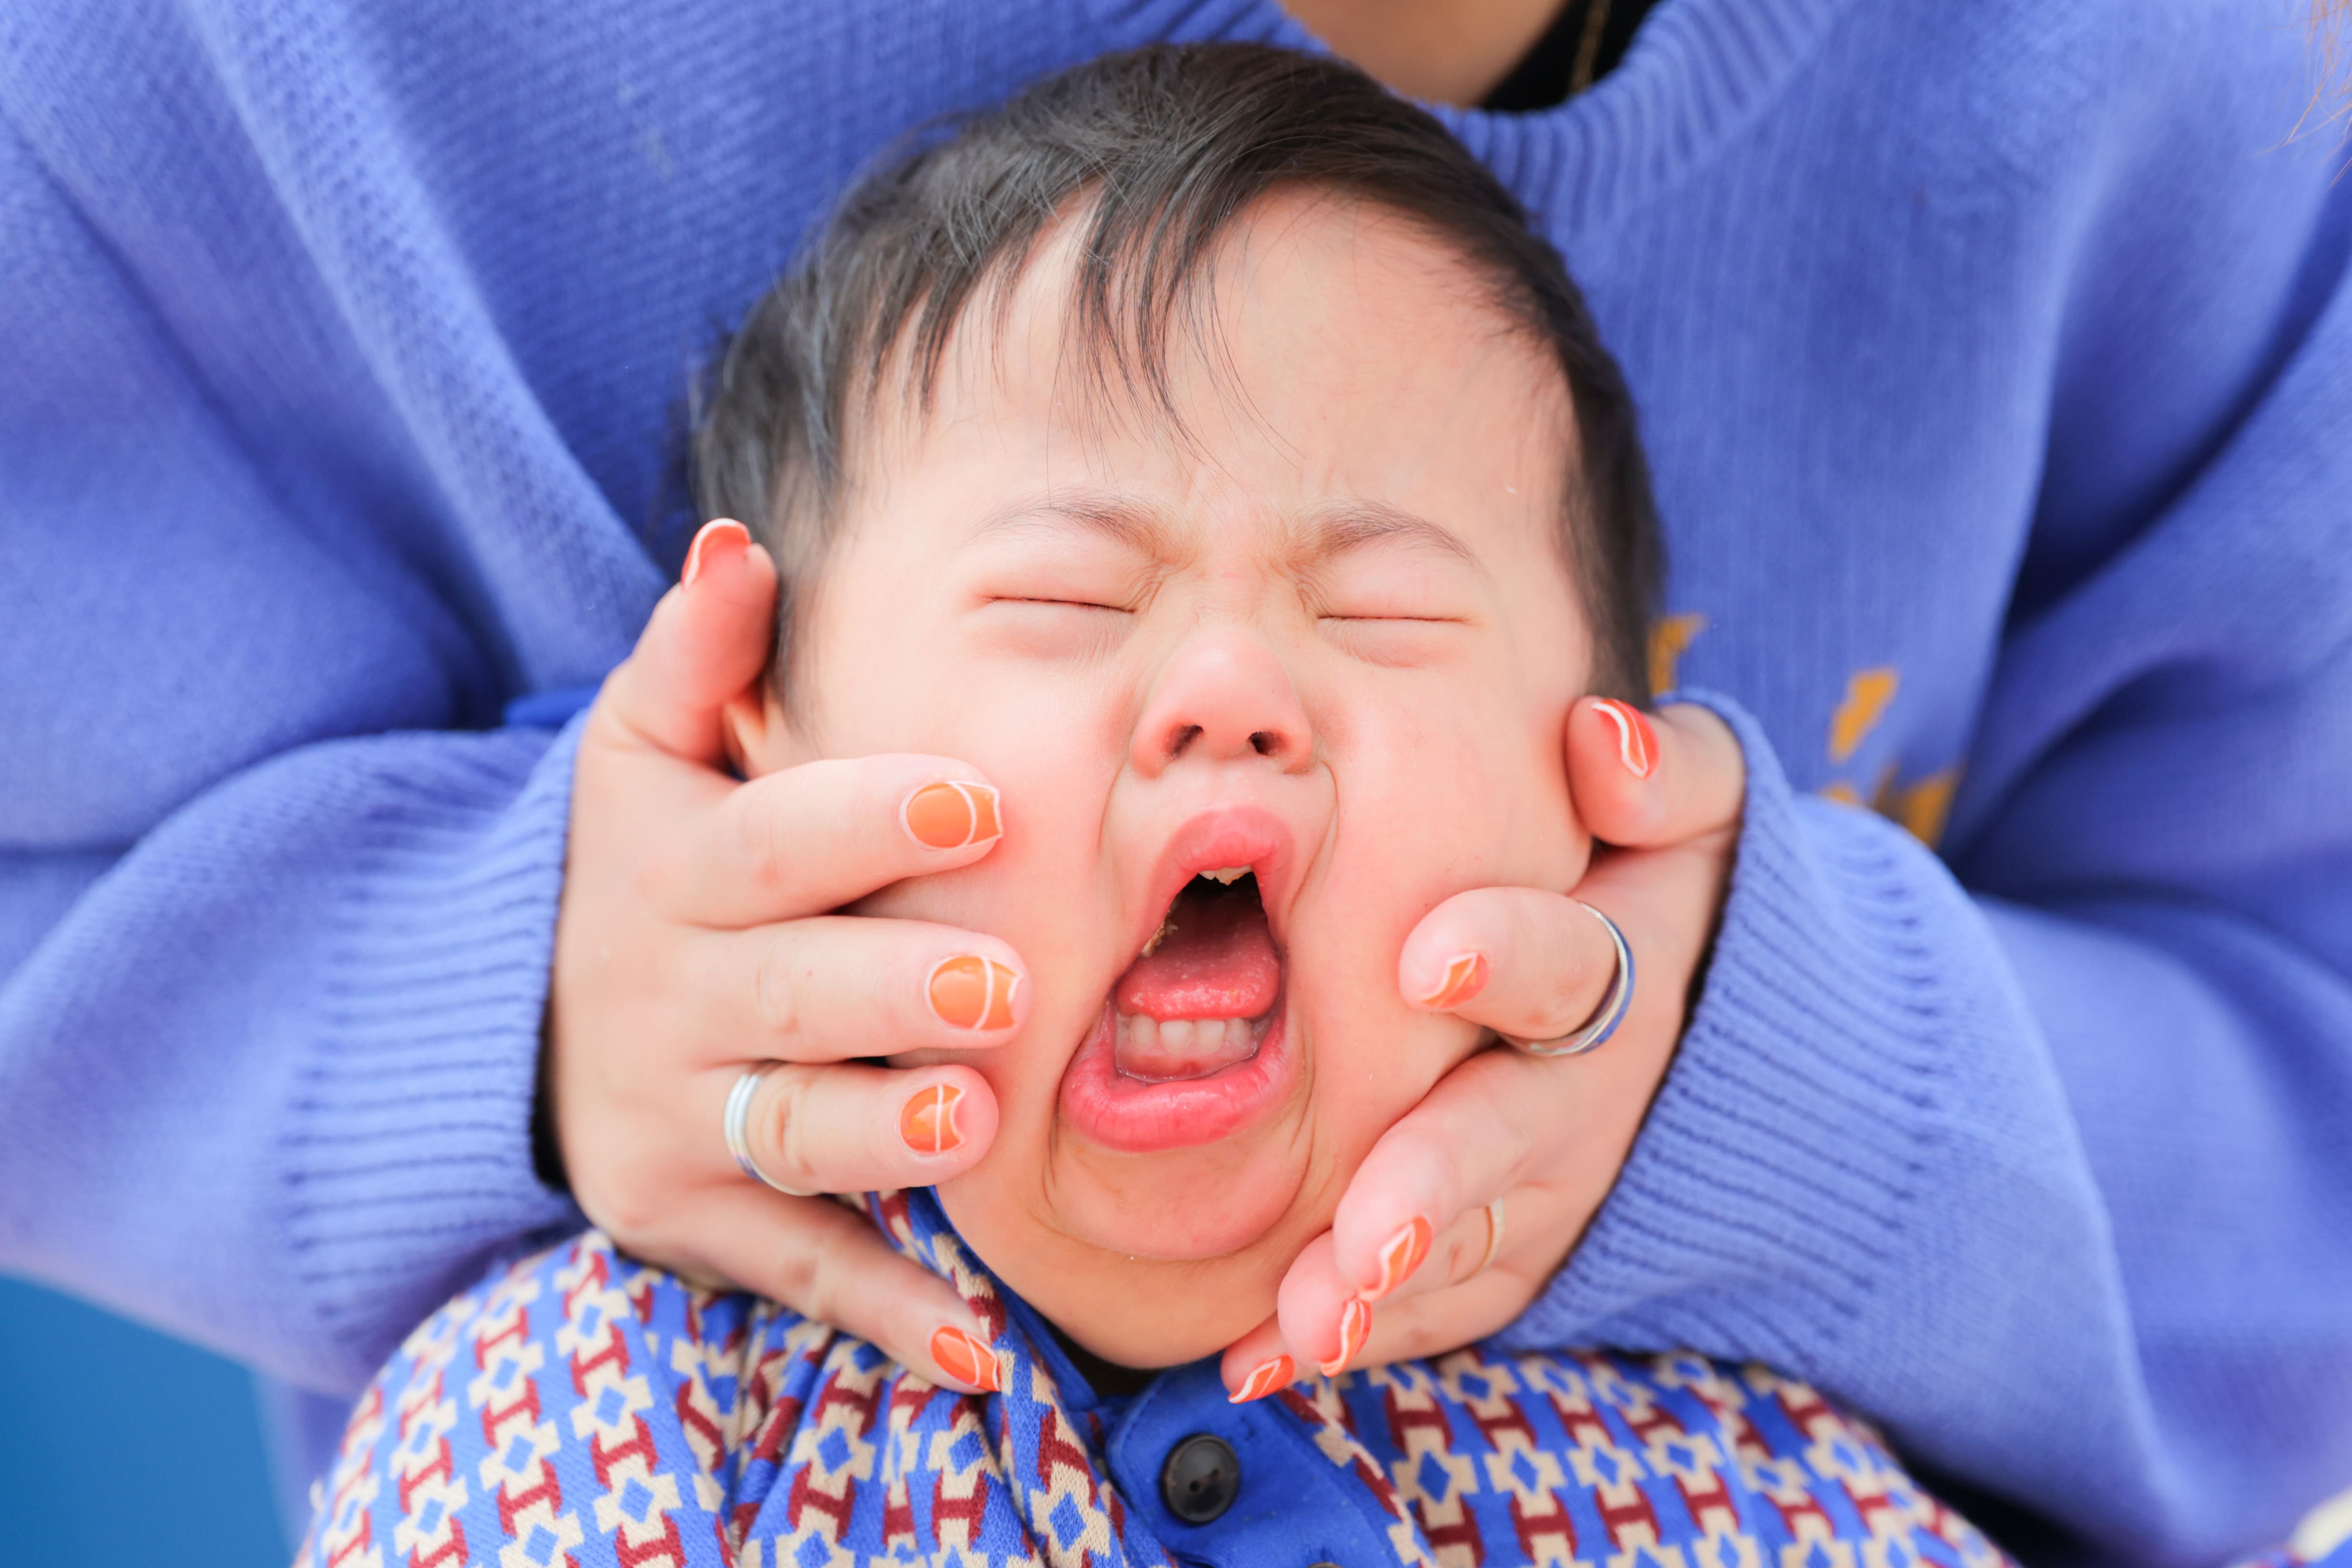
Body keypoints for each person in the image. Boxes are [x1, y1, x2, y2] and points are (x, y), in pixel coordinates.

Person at [2, 0, 2345, 1559]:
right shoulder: (592, 1441)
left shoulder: (2219, 93)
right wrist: (509, 1006)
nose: (1227, 689)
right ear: (749, 737)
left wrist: (1806, 1091)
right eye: (1066, 604)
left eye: (1381, 614)